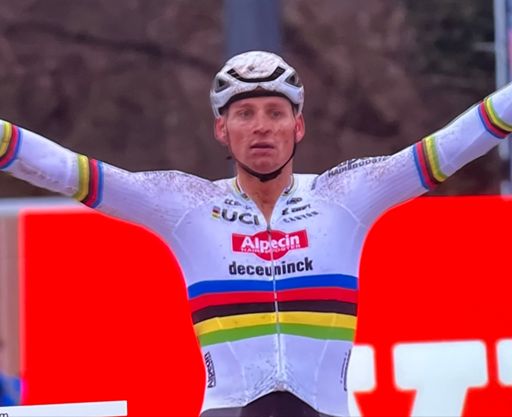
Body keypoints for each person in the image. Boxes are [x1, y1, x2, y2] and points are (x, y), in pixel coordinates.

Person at [0, 50, 510, 417]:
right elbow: (66, 170)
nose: (261, 126)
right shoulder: (187, 205)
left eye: (275, 112)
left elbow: (452, 145)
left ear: (298, 126)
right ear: (222, 130)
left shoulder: (346, 195)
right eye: (244, 113)